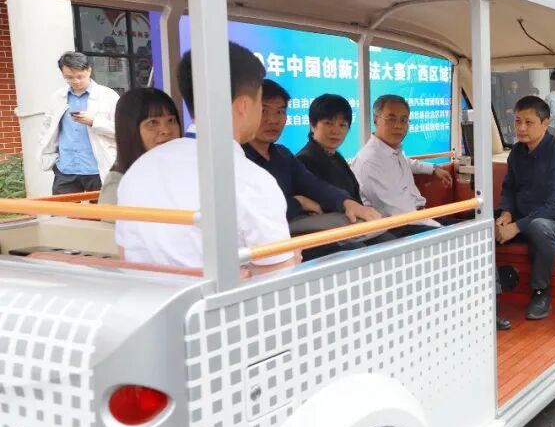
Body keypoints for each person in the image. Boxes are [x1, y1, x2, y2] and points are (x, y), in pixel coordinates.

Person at [116, 43, 296, 273]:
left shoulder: (139, 169)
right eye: (260, 103)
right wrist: (293, 258)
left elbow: (125, 253)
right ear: (244, 105)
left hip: (150, 295)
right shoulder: (249, 179)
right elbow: (277, 276)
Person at [243, 80, 379, 240]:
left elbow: (314, 185)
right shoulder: (236, 160)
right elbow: (256, 214)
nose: (273, 120)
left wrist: (346, 202)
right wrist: (298, 203)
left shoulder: (283, 155)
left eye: (280, 111)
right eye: (264, 111)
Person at [496, 95, 555, 322]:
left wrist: (516, 227)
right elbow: (509, 188)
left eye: (529, 122)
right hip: (523, 217)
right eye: (518, 121)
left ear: (545, 124)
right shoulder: (517, 152)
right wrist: (506, 214)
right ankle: (487, 294)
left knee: (538, 227)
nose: (521, 128)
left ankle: (541, 293)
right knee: (482, 222)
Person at [351, 94, 453, 234]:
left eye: (404, 120)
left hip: (419, 217)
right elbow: (396, 212)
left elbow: (407, 162)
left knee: (472, 219)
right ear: (376, 120)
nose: (398, 126)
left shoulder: (392, 151)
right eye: (391, 119)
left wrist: (434, 169)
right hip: (399, 227)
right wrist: (442, 230)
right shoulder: (370, 161)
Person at [38, 51, 119, 194]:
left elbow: (122, 131)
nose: (75, 81)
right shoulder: (57, 98)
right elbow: (47, 129)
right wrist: (52, 160)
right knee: (60, 209)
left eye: (80, 76)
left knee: (104, 208)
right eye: (69, 77)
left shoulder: (108, 96)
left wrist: (94, 122)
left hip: (97, 167)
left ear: (89, 71)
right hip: (66, 168)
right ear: (62, 74)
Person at [99, 88, 181, 209]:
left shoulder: (187, 170)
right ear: (130, 130)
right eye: (153, 123)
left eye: (171, 120)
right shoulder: (118, 183)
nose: (166, 130)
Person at [296, 94, 363, 200]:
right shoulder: (304, 161)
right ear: (312, 125)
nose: (335, 131)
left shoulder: (337, 158)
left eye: (342, 125)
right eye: (328, 123)